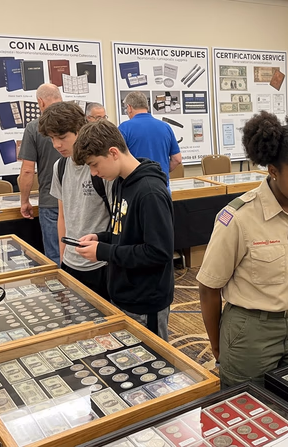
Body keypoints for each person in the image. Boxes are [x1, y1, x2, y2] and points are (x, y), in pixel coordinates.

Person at [197, 106, 288, 387]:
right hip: (250, 331)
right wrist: (217, 346)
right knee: (245, 413)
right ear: (273, 171)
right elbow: (209, 287)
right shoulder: (239, 218)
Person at [72, 120, 174, 341]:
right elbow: (126, 233)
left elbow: (159, 252)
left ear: (113, 152)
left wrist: (104, 251)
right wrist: (101, 238)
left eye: (94, 164)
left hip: (146, 302)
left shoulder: (150, 192)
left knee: (153, 367)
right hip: (122, 294)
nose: (94, 172)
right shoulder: (120, 182)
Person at [39, 102, 112, 300]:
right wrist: (62, 260)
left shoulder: (101, 167)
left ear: (80, 131)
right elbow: (62, 216)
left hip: (100, 264)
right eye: (52, 138)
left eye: (62, 138)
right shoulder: (59, 167)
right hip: (70, 263)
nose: (56, 145)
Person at [18, 84, 63, 265]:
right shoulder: (79, 122)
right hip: (79, 200)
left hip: (50, 200)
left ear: (40, 102)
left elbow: (28, 170)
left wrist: (24, 201)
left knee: (54, 258)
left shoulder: (34, 127)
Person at [118, 92, 181, 189]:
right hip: (162, 185)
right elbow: (177, 159)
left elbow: (118, 160)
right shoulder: (165, 127)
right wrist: (160, 172)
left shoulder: (124, 128)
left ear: (129, 107)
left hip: (136, 187)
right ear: (146, 106)